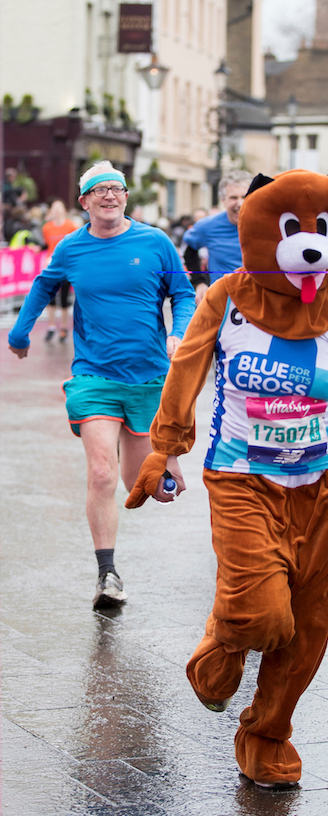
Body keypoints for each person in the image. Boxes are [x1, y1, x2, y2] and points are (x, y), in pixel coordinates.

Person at [125, 169, 328, 789]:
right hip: (242, 478)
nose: (308, 244)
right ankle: (227, 638)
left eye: (322, 229)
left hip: (326, 486)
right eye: (291, 229)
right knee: (261, 614)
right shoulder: (228, 296)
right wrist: (166, 449)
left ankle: (266, 734)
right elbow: (186, 371)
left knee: (308, 628)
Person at [7, 160, 196, 608]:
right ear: (85, 201)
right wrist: (20, 333)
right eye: (99, 190)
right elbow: (43, 286)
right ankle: (107, 574)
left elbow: (183, 294)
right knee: (101, 472)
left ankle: (158, 465)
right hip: (94, 376)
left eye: (117, 188)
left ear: (126, 197)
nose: (109, 195)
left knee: (141, 485)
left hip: (149, 377)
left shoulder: (155, 242)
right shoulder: (71, 248)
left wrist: (178, 331)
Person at [183, 170, 252, 304]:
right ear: (223, 200)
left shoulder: (264, 225)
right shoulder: (208, 226)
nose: (240, 203)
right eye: (233, 198)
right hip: (222, 301)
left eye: (244, 197)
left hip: (257, 300)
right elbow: (189, 250)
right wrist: (199, 282)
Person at [42, 199, 77, 342]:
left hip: (66, 266)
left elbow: (74, 245)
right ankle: (51, 327)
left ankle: (63, 328)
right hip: (51, 265)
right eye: (54, 208)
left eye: (59, 207)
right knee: (50, 297)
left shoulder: (71, 226)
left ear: (64, 210)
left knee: (64, 298)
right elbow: (47, 243)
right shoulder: (47, 228)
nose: (56, 211)